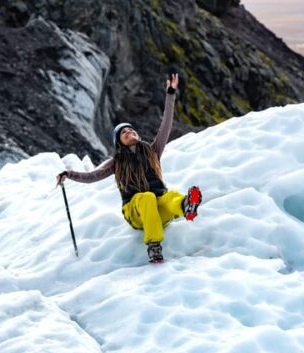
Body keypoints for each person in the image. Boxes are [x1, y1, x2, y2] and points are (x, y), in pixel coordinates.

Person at [56, 73, 202, 263]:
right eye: (123, 132)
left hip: (158, 212)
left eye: (131, 130)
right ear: (119, 142)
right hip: (136, 213)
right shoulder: (117, 162)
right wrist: (69, 174)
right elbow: (93, 176)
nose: (129, 132)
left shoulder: (152, 151)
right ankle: (154, 246)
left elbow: (166, 124)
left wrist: (170, 94)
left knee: (169, 196)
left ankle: (186, 206)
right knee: (147, 197)